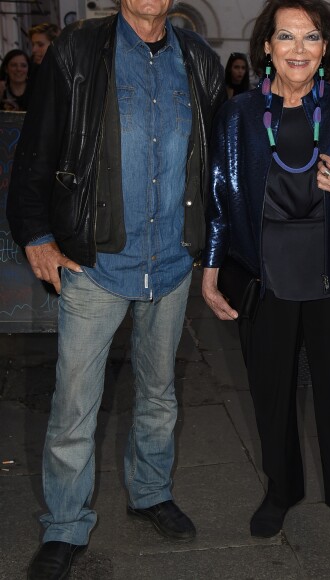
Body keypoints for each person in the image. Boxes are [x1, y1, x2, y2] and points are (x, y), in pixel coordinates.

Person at [7, 0, 226, 577]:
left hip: (172, 263)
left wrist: (214, 247)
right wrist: (35, 235)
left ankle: (150, 492)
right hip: (96, 263)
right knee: (74, 405)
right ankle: (64, 525)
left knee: (159, 395)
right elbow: (37, 149)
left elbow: (213, 164)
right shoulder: (78, 50)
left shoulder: (199, 59)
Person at [201, 0, 330, 563]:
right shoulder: (238, 115)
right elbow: (218, 202)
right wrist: (210, 276)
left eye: (310, 38)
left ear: (324, 49)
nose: (299, 50)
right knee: (271, 396)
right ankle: (281, 490)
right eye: (287, 37)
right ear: (266, 47)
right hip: (265, 279)